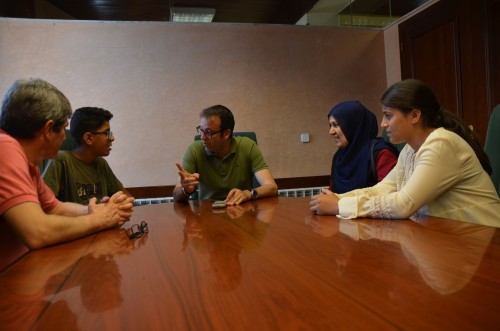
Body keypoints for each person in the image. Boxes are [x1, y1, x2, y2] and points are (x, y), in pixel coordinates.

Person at [310, 79, 500, 227]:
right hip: (452, 237)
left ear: (415, 115)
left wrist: (339, 206)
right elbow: (382, 189)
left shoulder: (441, 143)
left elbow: (404, 204)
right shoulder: (410, 149)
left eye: (388, 115)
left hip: (485, 239)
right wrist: (339, 198)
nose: (383, 124)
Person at [0, 78, 134, 257]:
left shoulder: (29, 163)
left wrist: (97, 210)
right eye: (63, 128)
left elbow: (55, 207)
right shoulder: (5, 147)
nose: (65, 137)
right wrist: (97, 220)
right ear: (48, 129)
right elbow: (37, 232)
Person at [173, 105, 278, 205]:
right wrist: (185, 190)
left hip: (242, 211)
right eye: (201, 131)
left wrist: (248, 193)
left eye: (208, 132)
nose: (203, 137)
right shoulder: (194, 150)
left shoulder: (248, 146)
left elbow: (272, 187)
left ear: (227, 133)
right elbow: (176, 195)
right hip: (207, 213)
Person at [43, 107, 132, 205]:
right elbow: (45, 206)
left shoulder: (101, 163)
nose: (112, 138)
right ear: (89, 138)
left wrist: (120, 204)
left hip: (102, 220)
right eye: (107, 133)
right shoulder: (61, 160)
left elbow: (127, 199)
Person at [327, 100, 398, 193]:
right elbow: (332, 191)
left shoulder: (381, 154)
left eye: (336, 125)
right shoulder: (339, 156)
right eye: (330, 125)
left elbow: (389, 196)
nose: (331, 131)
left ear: (353, 125)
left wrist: (341, 202)